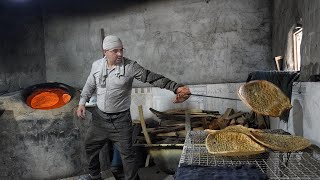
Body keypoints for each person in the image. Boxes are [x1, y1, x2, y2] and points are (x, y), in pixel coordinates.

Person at [76, 35, 190, 180]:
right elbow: (89, 85)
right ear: (105, 52)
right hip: (99, 119)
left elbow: (151, 77)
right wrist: (81, 103)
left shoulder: (130, 67)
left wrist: (176, 87)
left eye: (121, 50)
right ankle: (94, 176)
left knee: (128, 156)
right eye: (115, 51)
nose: (120, 54)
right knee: (90, 147)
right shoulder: (96, 66)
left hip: (121, 121)